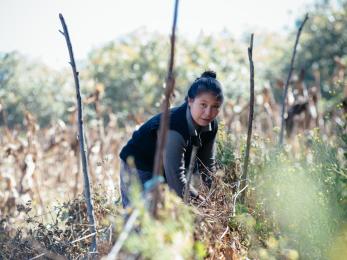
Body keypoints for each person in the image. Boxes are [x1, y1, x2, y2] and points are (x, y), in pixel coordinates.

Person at [119, 70, 224, 207]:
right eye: (203, 105)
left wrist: (216, 199)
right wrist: (202, 203)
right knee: (141, 218)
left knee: (172, 213)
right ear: (190, 101)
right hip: (139, 166)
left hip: (165, 169)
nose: (208, 112)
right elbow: (176, 180)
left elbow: (207, 165)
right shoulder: (174, 127)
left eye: (215, 106)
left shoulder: (211, 124)